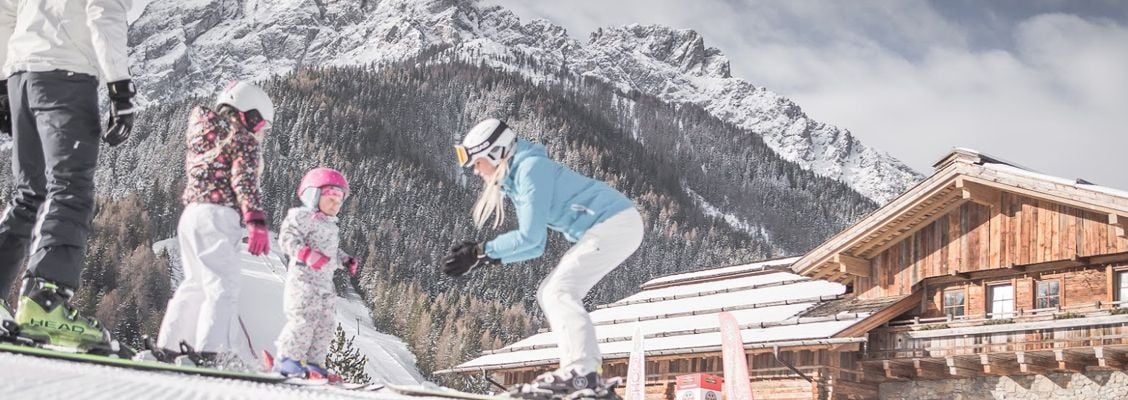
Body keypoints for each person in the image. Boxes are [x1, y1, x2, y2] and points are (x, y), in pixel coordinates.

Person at [442, 119, 644, 399]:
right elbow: (533, 246)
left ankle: (582, 375)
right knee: (551, 291)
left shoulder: (529, 170)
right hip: (615, 224)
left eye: (477, 162)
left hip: (614, 223)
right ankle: (582, 374)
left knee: (558, 291)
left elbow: (530, 239)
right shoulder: (520, 174)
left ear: (496, 153)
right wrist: (483, 256)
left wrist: (480, 252)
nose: (476, 171)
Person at [0, 0, 137, 352]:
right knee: (70, 188)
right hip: (66, 74)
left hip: (21, 75)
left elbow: (7, 10)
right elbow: (104, 10)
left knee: (29, 192)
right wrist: (120, 89)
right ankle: (46, 301)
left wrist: (3, 81)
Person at [147, 81, 273, 368]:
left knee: (194, 284)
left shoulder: (204, 135)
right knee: (222, 286)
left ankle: (168, 347)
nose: (260, 132)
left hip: (191, 215)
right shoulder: (243, 140)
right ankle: (212, 352)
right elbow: (244, 181)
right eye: (261, 124)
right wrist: (255, 220)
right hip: (219, 215)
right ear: (248, 115)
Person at [272, 167, 358, 379]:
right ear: (313, 195)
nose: (335, 205)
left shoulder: (330, 226)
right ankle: (288, 358)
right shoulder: (301, 216)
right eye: (330, 199)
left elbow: (331, 252)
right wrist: (306, 254)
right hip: (303, 282)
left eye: (339, 202)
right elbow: (287, 239)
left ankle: (313, 363)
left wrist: (344, 260)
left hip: (325, 286)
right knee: (303, 320)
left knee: (325, 325)